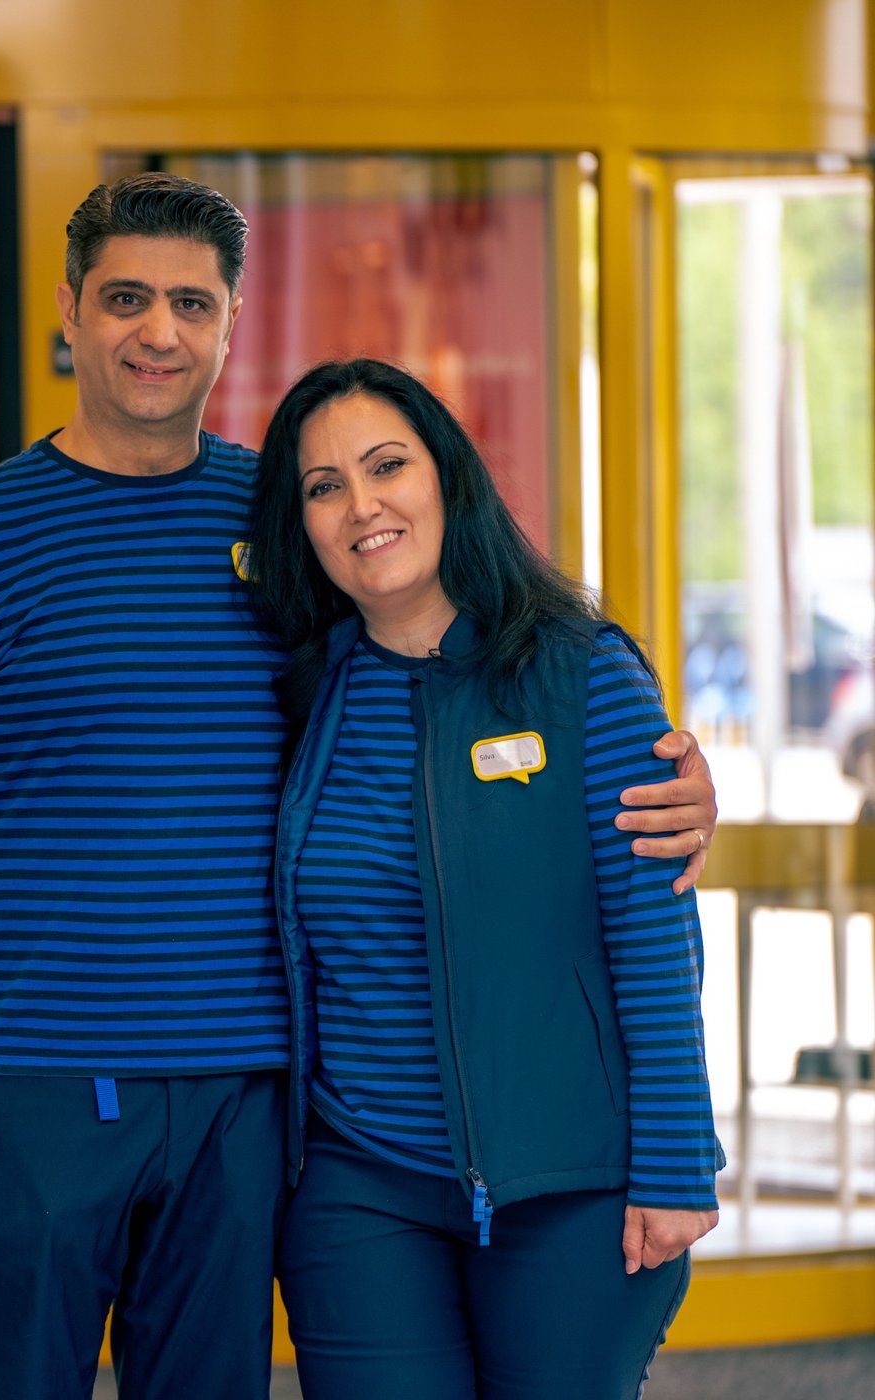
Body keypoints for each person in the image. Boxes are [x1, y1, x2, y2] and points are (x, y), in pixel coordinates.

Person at [0, 175, 718, 1400]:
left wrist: (669, 780)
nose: (158, 331)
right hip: (30, 1085)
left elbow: (450, 707)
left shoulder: (283, 527)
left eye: (190, 304)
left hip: (246, 1098)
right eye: (126, 298)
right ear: (68, 310)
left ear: (229, 322)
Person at [246, 357, 722, 1400]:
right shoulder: (299, 691)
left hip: (571, 1179)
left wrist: (676, 1160)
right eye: (322, 486)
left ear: (447, 477)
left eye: (385, 465)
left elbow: (651, 934)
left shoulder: (578, 671)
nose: (360, 504)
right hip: (356, 1179)